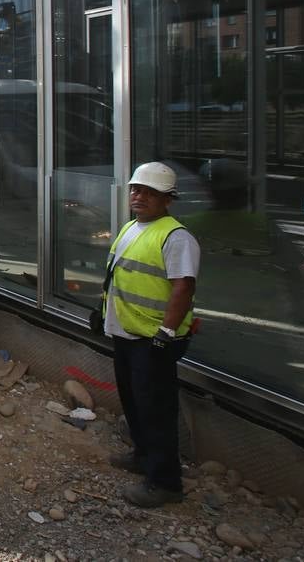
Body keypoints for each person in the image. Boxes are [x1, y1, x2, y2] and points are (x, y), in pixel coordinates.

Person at [96, 162, 200, 508]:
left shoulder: (176, 237)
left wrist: (166, 333)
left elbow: (183, 288)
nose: (138, 197)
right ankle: (143, 456)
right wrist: (103, 312)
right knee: (135, 402)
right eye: (135, 190)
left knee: (156, 409)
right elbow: (119, 275)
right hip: (128, 333)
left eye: (149, 192)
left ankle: (165, 482)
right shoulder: (132, 227)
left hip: (153, 339)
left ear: (167, 199)